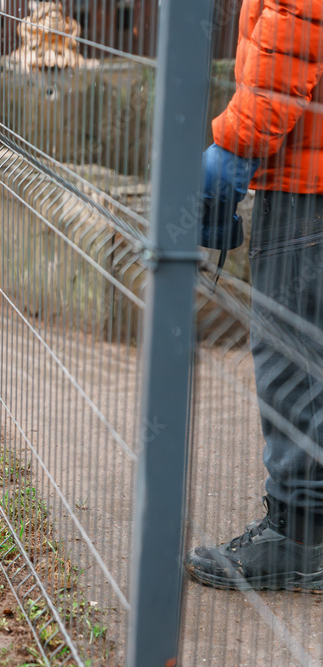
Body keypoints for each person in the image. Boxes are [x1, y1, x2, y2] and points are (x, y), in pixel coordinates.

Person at [186, 0, 323, 591]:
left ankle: (299, 537)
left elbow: (295, 33)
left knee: (291, 351)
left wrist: (234, 144)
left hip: (307, 180)